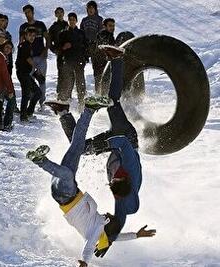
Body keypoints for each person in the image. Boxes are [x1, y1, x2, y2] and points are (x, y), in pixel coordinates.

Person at [26, 102, 155, 266]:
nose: (107, 214)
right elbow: (118, 237)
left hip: (67, 195)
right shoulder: (101, 223)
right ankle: (77, 111)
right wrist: (137, 235)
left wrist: (85, 262)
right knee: (78, 146)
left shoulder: (97, 230)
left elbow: (90, 245)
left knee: (77, 157)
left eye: (109, 218)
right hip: (73, 190)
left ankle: (41, 160)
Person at [45, 46, 143, 256]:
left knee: (79, 147)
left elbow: (118, 225)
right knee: (112, 104)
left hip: (112, 144)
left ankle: (63, 112)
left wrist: (107, 240)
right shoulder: (131, 171)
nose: (105, 216)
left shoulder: (119, 204)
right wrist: (108, 144)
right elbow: (125, 145)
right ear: (124, 180)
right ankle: (117, 59)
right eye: (115, 181)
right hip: (125, 138)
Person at [19, 4, 50, 110]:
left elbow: (47, 38)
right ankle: (32, 101)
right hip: (29, 58)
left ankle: (42, 103)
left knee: (41, 79)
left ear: (33, 12)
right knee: (29, 80)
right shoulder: (23, 27)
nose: (27, 14)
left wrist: (46, 51)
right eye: (25, 13)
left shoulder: (40, 24)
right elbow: (21, 42)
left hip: (40, 56)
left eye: (29, 12)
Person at [57, 12, 88, 111]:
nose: (72, 21)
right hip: (68, 61)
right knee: (67, 83)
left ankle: (81, 104)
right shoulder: (63, 33)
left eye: (73, 19)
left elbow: (86, 47)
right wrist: (63, 47)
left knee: (81, 84)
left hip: (79, 61)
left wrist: (85, 59)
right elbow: (58, 48)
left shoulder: (81, 33)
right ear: (68, 21)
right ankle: (64, 105)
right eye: (70, 20)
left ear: (76, 21)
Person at [16, 27, 42, 122]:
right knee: (26, 94)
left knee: (37, 92)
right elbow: (27, 58)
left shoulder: (28, 45)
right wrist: (36, 68)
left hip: (26, 73)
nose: (32, 37)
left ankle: (28, 112)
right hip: (22, 73)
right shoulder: (24, 45)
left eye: (33, 36)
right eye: (30, 35)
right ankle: (23, 116)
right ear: (25, 36)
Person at [48, 7, 68, 97]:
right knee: (61, 72)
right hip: (60, 52)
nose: (60, 14)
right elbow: (49, 41)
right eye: (58, 13)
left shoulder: (67, 24)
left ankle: (68, 93)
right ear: (55, 14)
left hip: (68, 53)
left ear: (63, 14)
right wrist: (54, 50)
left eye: (61, 12)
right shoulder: (53, 27)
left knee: (69, 72)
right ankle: (60, 93)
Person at [93, 18, 116, 93]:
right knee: (101, 83)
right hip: (100, 63)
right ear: (105, 26)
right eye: (110, 26)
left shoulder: (110, 35)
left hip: (104, 63)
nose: (112, 28)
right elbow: (104, 47)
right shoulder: (103, 34)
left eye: (113, 26)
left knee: (104, 83)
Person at [1, 40, 16, 131]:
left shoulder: (9, 58)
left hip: (6, 83)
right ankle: (0, 123)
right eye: (6, 47)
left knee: (12, 101)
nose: (8, 49)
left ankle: (7, 124)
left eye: (10, 48)